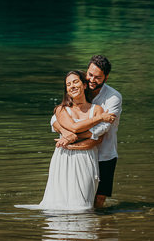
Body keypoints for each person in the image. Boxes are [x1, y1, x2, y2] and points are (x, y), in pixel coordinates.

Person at [18, 70, 115, 212]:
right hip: (63, 157)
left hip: (86, 158)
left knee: (83, 206)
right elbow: (74, 128)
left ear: (85, 85)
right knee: (59, 202)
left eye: (75, 82)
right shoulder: (61, 109)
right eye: (68, 84)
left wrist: (73, 145)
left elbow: (97, 140)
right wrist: (100, 119)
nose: (72, 86)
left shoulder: (97, 109)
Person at [54, 55, 121, 209]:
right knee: (76, 195)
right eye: (90, 75)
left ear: (106, 77)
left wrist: (72, 137)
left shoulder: (113, 97)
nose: (92, 80)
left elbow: (104, 128)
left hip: (104, 153)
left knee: (99, 198)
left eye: (97, 77)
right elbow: (56, 119)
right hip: (80, 156)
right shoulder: (79, 87)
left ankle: (97, 228)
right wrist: (65, 131)